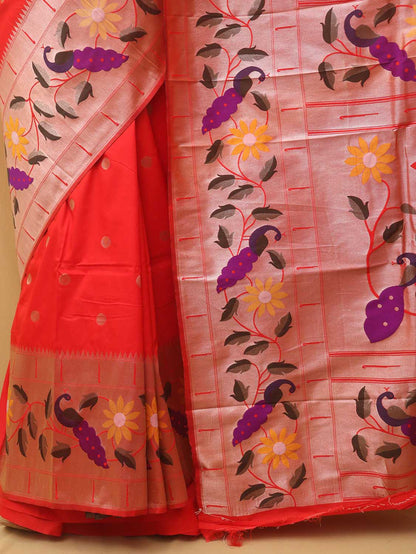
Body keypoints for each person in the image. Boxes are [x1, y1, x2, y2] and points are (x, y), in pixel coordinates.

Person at [1, 0, 416, 542]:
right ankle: (88, 485)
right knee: (92, 207)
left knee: (153, 197)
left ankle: (176, 475)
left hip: (158, 23)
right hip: (70, 17)